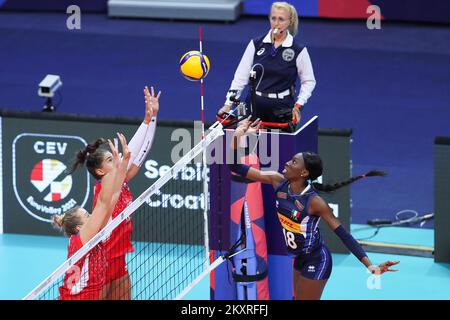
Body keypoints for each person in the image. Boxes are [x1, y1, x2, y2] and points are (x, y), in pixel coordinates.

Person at [228, 119, 400, 300]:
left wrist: (370, 265)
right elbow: (236, 167)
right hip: (299, 259)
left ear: (304, 173)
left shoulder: (314, 202)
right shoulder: (276, 180)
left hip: (317, 260)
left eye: (293, 162)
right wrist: (237, 138)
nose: (287, 163)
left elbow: (343, 234)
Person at [67, 86, 161, 300]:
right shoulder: (104, 189)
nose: (118, 161)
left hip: (119, 259)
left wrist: (151, 118)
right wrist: (146, 121)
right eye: (111, 160)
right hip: (103, 259)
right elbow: (131, 155)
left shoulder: (121, 182)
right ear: (100, 171)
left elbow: (138, 154)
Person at [53, 133, 130, 300]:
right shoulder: (83, 239)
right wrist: (114, 168)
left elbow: (115, 193)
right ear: (79, 228)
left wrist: (122, 164)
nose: (92, 215)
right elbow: (103, 203)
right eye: (87, 215)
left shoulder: (88, 238)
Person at [218, 1, 316, 132]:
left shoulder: (298, 49)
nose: (276, 23)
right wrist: (228, 104)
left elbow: (308, 81)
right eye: (273, 18)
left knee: (277, 150)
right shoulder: (256, 44)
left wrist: (299, 105)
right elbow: (240, 77)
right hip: (253, 106)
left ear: (290, 22)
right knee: (248, 148)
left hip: (281, 109)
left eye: (281, 19)